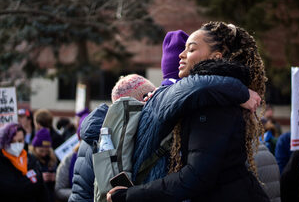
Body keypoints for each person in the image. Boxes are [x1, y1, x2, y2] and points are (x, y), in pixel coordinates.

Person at [108, 21, 269, 202]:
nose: (182, 55)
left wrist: (130, 195)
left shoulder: (214, 104)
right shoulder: (209, 96)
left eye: (191, 49)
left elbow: (196, 177)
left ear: (216, 56)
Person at [68, 74, 156, 202]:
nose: (153, 102)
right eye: (149, 96)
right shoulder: (103, 137)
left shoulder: (97, 136)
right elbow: (81, 193)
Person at [0, 123, 48, 202]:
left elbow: (42, 191)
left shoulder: (31, 160)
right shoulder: (2, 163)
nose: (17, 144)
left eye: (20, 141)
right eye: (12, 142)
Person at [29, 128, 58, 202]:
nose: (44, 154)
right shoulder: (30, 160)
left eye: (46, 151)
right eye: (41, 151)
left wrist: (55, 177)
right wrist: (40, 178)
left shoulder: (52, 159)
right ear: (35, 148)